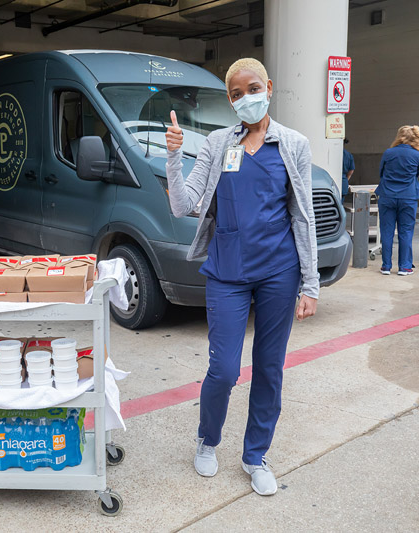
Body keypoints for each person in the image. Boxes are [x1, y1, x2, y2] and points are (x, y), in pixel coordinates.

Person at [165, 58, 318, 496]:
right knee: (225, 368)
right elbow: (183, 204)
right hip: (228, 271)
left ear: (268, 87)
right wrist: (174, 157)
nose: (245, 98)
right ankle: (207, 439)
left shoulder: (293, 144)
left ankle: (255, 455)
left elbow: (302, 215)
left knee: (269, 368)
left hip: (279, 271)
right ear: (229, 100)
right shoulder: (217, 143)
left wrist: (310, 283)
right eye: (235, 94)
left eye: (252, 88)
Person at [375, 125, 419, 276]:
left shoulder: (388, 152)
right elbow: (417, 174)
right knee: (406, 231)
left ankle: (386, 266)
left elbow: (381, 172)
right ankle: (404, 267)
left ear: (399, 136)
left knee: (386, 231)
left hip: (387, 195)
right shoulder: (418, 155)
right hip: (408, 196)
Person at [342, 139, 355, 203]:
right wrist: (346, 179)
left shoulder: (332, 154)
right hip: (343, 181)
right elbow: (351, 170)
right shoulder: (348, 155)